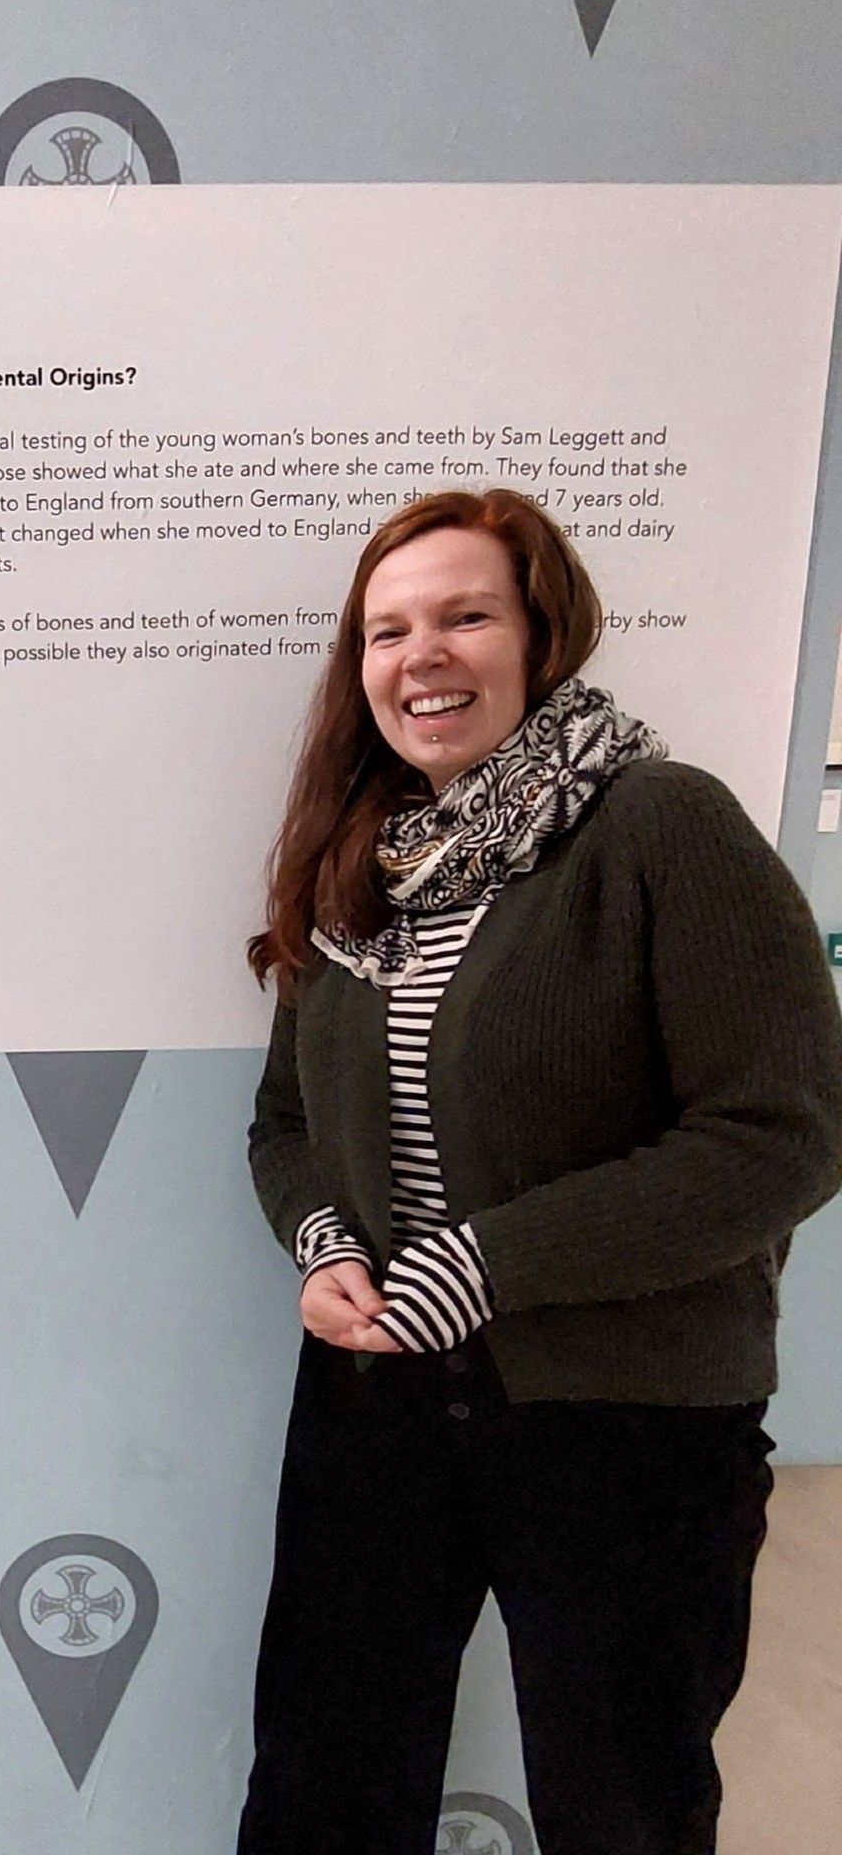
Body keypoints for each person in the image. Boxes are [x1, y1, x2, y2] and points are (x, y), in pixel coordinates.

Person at [237, 487, 842, 1855]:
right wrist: (324, 1241)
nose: (421, 655)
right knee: (322, 1789)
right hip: (377, 1396)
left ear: (542, 631)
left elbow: (783, 1133)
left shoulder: (658, 827)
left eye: (466, 615)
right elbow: (284, 1121)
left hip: (623, 1418)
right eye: (387, 629)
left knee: (622, 1807)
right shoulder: (363, 860)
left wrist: (492, 1263)